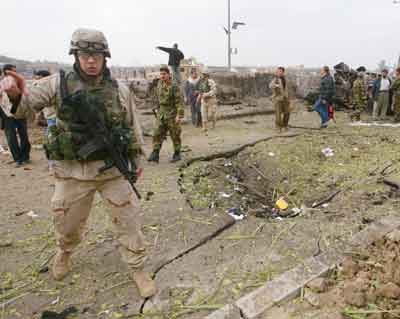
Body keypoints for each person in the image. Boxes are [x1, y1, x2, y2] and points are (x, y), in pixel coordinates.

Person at [6, 28, 156, 298]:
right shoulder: (57, 84)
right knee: (66, 224)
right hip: (72, 173)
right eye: (85, 54)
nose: (90, 61)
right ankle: (64, 253)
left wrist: (135, 161)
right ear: (75, 55)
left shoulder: (119, 89)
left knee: (129, 221)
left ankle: (137, 268)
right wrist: (16, 95)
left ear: (105, 57)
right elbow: (25, 107)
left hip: (113, 171)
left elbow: (132, 127)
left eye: (96, 55)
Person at [148, 66, 184, 163]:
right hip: (161, 113)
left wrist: (179, 115)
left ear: (169, 75)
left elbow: (179, 102)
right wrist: (156, 107)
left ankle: (177, 153)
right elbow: (157, 97)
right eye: (161, 74)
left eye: (164, 74)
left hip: (172, 113)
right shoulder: (159, 84)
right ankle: (155, 153)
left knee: (175, 134)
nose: (162, 76)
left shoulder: (174, 86)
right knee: (157, 133)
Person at [0, 64, 32, 167]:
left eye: (15, 71)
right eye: (12, 71)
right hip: (7, 113)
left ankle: (25, 157)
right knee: (11, 136)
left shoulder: (18, 81)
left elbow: (25, 93)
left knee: (24, 135)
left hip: (20, 111)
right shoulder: (4, 82)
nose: (15, 73)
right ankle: (18, 159)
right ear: (6, 72)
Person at [269, 67, 290, 132]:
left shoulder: (286, 79)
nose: (278, 72)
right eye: (277, 71)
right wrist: (276, 85)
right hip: (278, 99)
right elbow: (270, 86)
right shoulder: (276, 79)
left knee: (287, 113)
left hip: (285, 99)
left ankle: (285, 125)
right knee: (278, 114)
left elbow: (288, 89)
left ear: (283, 72)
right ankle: (278, 127)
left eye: (280, 71)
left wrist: (289, 98)